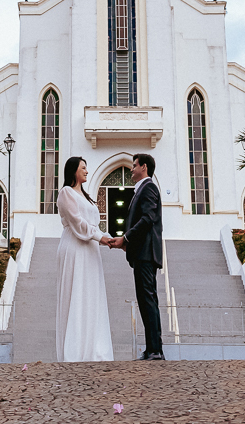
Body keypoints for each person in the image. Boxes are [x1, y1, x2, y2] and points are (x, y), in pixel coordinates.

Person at [56, 155, 114, 361]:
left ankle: (94, 348)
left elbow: (92, 225)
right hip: (75, 247)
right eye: (83, 168)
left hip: (91, 248)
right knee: (76, 294)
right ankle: (76, 350)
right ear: (73, 170)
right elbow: (78, 224)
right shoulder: (66, 193)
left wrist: (106, 238)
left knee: (91, 295)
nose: (87, 171)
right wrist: (101, 238)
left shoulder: (86, 197)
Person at [109, 153, 164, 360]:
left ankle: (155, 350)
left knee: (148, 300)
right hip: (142, 252)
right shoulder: (141, 190)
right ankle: (153, 348)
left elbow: (148, 218)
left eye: (134, 165)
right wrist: (128, 243)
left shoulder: (148, 188)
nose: (131, 169)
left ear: (144, 167)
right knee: (146, 301)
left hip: (146, 254)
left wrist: (126, 238)